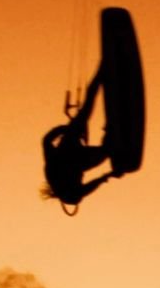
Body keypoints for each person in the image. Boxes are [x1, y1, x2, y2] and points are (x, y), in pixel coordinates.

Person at [41, 74, 118, 208]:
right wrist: (106, 176)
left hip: (70, 149)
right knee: (107, 149)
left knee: (85, 114)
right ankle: (112, 128)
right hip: (78, 158)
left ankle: (99, 78)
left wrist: (64, 129)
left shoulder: (53, 170)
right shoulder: (58, 178)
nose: (80, 181)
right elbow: (90, 186)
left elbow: (46, 141)